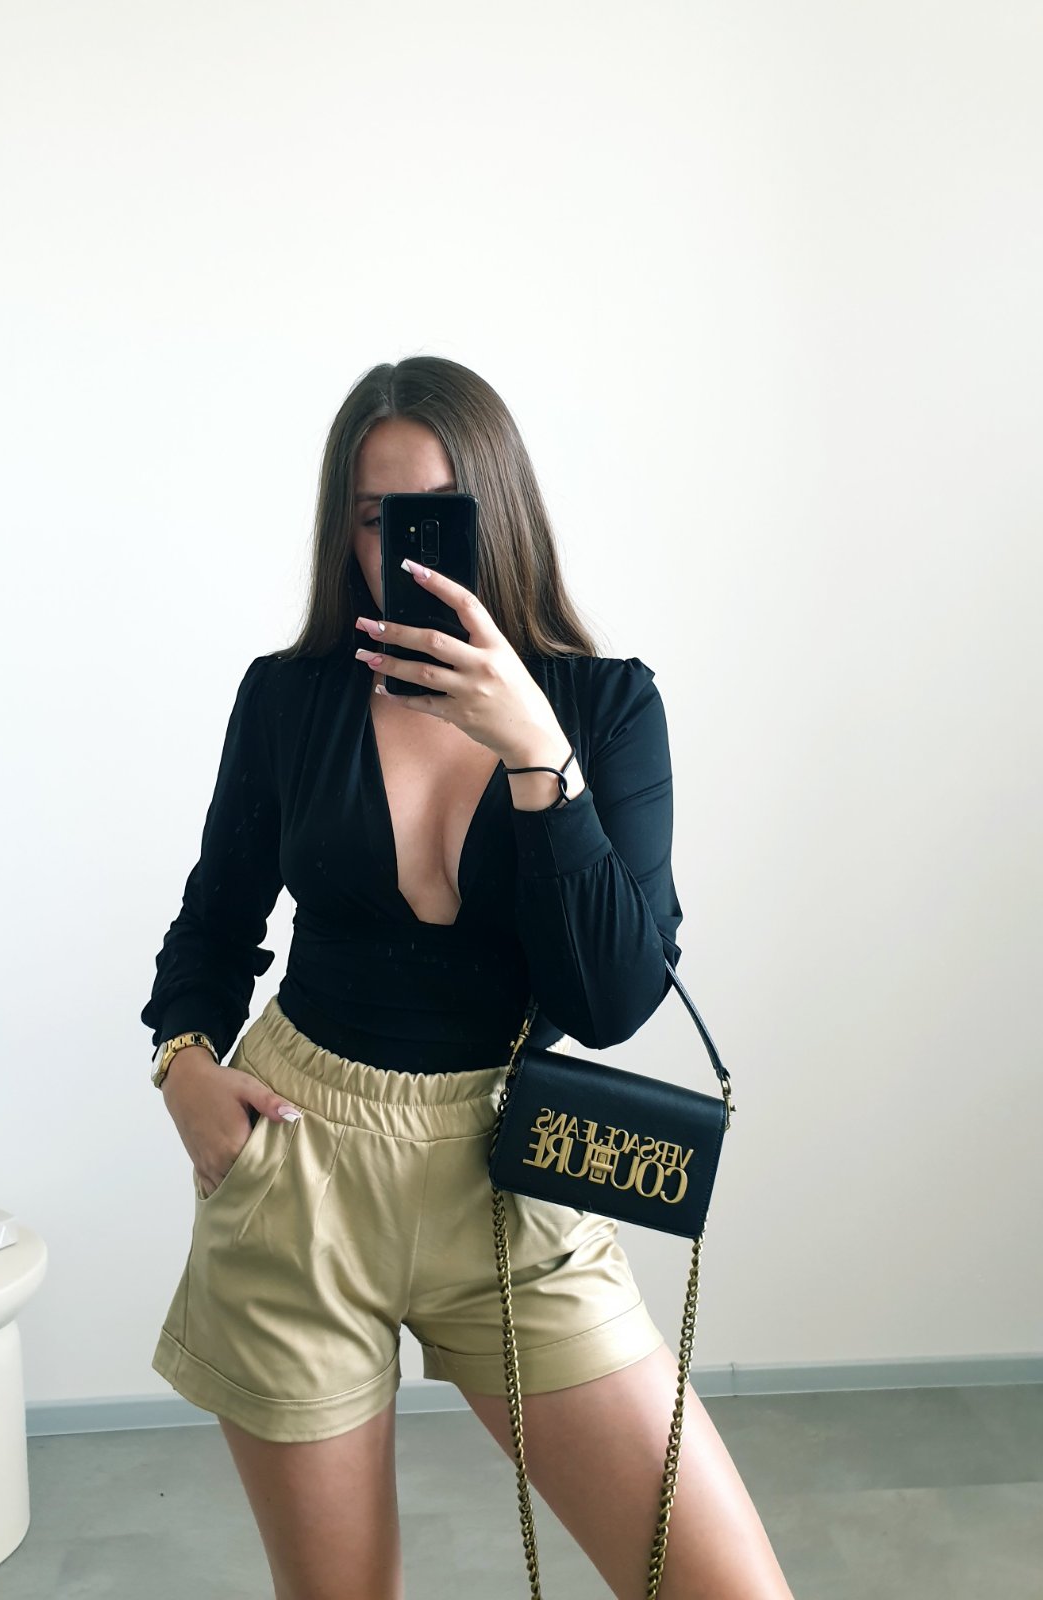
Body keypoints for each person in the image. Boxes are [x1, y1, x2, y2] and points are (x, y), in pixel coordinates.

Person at [141, 356, 795, 1600]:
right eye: (374, 515)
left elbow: (611, 1001)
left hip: (515, 1171)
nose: (402, 545)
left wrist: (539, 754)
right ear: (344, 532)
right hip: (298, 1166)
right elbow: (214, 922)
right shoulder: (287, 699)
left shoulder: (603, 708)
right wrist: (182, 1065)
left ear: (500, 512)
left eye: (438, 512)